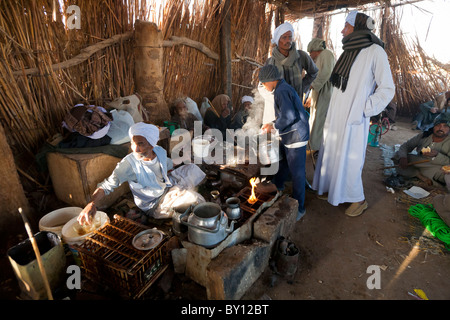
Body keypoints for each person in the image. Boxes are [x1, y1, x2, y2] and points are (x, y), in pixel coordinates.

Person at [312, 10, 395, 217]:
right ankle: (331, 189)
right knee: (331, 152)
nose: (342, 31)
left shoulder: (376, 51)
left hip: (353, 117)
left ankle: (358, 200)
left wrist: (364, 108)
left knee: (349, 159)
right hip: (336, 114)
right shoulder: (349, 51)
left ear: (357, 27)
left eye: (346, 26)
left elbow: (388, 88)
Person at [77, 122, 203, 225]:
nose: (135, 149)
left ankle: (183, 195)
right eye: (133, 143)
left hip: (167, 185)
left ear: (152, 144)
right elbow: (106, 186)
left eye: (140, 143)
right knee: (195, 198)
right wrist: (91, 203)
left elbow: (168, 164)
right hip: (155, 204)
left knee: (193, 168)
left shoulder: (160, 152)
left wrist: (185, 159)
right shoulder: (129, 165)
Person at [258, 64, 310, 221]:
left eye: (263, 84)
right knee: (285, 163)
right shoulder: (282, 88)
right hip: (291, 135)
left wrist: (272, 125)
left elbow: (288, 117)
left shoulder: (281, 91)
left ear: (269, 81)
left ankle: (300, 208)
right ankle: (278, 185)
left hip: (296, 136)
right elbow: (286, 114)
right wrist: (272, 124)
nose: (264, 87)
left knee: (298, 174)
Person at [394, 114, 450, 189]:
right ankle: (419, 175)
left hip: (437, 168)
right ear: (433, 126)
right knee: (398, 156)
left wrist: (437, 155)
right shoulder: (424, 135)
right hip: (420, 163)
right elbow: (405, 146)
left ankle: (419, 176)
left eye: (445, 126)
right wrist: (403, 157)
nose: (441, 128)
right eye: (438, 125)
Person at [265, 22, 318, 99]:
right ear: (278, 39)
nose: (288, 40)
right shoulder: (270, 62)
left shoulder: (301, 56)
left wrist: (302, 86)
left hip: (296, 101)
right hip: (279, 103)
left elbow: (314, 72)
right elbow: (263, 84)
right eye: (284, 37)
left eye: (290, 37)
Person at [306, 38, 336, 153]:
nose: (310, 55)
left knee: (321, 118)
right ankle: (314, 145)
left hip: (325, 91)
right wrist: (310, 96)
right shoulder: (320, 57)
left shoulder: (326, 54)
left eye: (311, 52)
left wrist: (312, 85)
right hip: (319, 91)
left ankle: (319, 148)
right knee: (315, 117)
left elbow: (326, 73)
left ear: (315, 49)